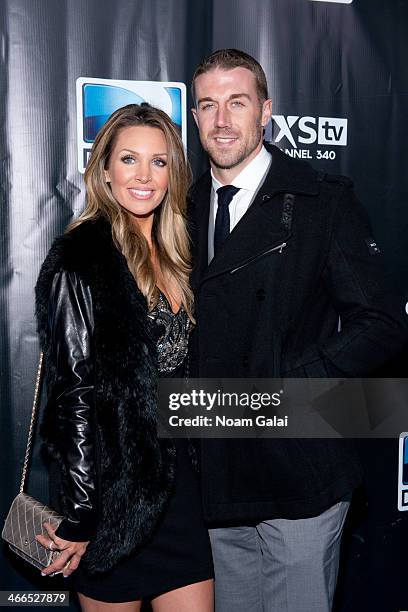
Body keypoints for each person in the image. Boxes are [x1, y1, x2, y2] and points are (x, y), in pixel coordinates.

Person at [189, 49, 408, 612]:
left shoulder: (321, 200)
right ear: (194, 117)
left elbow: (380, 322)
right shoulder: (180, 208)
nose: (221, 120)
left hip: (300, 468)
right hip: (216, 476)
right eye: (208, 105)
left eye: (236, 103)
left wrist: (296, 387)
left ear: (266, 111)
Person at [34, 103, 214, 611]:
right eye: (129, 159)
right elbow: (74, 394)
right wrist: (83, 512)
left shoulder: (183, 251)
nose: (144, 176)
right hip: (115, 499)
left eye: (159, 162)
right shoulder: (80, 258)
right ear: (104, 170)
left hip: (183, 497)